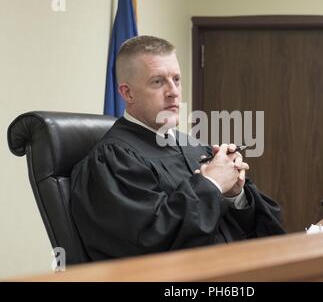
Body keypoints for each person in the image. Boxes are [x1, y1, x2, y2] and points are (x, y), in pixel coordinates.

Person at [70, 35, 285, 261]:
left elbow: (263, 227)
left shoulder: (193, 147)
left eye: (176, 79)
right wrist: (211, 185)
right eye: (158, 81)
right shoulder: (113, 160)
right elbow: (150, 241)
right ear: (127, 93)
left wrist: (235, 194)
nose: (173, 91)